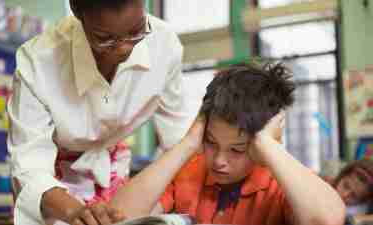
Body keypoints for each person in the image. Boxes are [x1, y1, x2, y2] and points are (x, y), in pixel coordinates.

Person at [7, 0, 200, 224]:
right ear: (77, 12)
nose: (124, 48)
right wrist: (75, 212)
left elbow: (178, 140)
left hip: (113, 171)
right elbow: (29, 168)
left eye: (136, 32)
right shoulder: (38, 61)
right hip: (54, 185)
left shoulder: (164, 46)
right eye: (104, 39)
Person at [148, 62, 346, 225]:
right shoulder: (188, 172)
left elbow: (327, 221)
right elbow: (121, 214)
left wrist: (268, 144)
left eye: (237, 149)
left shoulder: (281, 185)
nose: (219, 161)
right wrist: (187, 144)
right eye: (211, 142)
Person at [327, 159, 373, 224]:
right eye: (346, 186)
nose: (344, 195)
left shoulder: (355, 217)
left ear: (362, 201)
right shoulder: (322, 184)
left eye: (353, 196)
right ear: (341, 177)